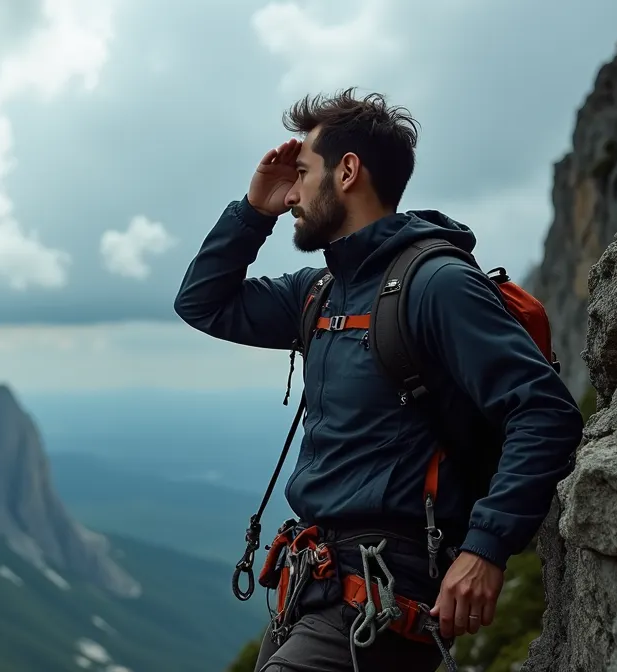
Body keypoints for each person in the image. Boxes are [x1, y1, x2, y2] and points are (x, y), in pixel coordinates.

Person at [173, 89, 584, 671]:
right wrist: (252, 211)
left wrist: (485, 549)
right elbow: (203, 303)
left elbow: (545, 411)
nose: (291, 194)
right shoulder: (318, 292)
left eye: (303, 174)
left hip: (385, 591)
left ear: (347, 171)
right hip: (314, 586)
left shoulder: (438, 285)